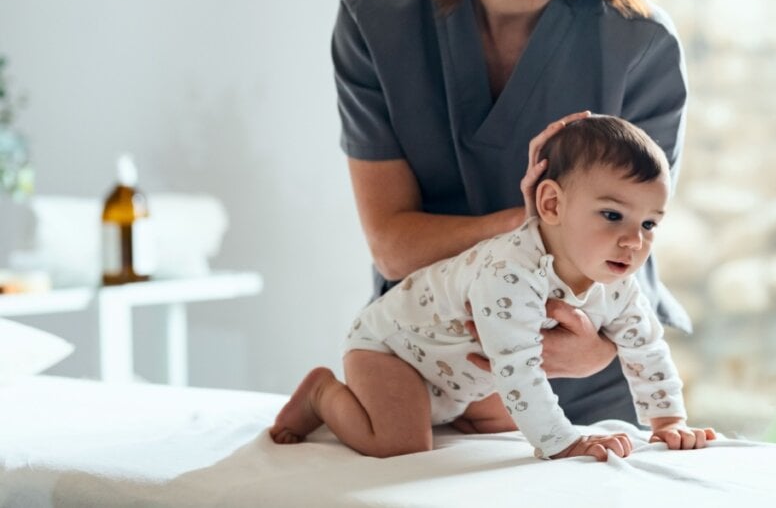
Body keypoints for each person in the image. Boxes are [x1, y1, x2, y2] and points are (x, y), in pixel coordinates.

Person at [332, 0, 690, 425]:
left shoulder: (639, 44)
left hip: (586, 383)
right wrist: (538, 223)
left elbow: (630, 238)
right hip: (437, 375)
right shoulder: (377, 21)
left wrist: (597, 351)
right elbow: (395, 248)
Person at [271, 116, 715, 460]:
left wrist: (668, 421)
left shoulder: (616, 281)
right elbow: (520, 369)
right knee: (398, 445)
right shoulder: (509, 271)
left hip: (466, 376)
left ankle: (454, 416)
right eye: (613, 215)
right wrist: (561, 442)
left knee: (505, 426)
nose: (633, 240)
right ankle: (322, 394)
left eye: (650, 223)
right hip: (395, 352)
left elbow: (646, 348)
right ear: (552, 204)